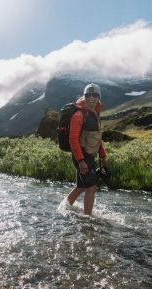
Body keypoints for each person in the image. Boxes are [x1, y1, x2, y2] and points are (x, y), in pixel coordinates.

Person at [66, 83, 108, 215]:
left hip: (89, 156)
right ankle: (88, 219)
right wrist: (81, 160)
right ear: (84, 96)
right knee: (91, 186)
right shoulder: (78, 115)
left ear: (98, 97)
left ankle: (65, 206)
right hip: (81, 156)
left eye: (95, 95)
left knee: (81, 186)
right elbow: (73, 140)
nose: (91, 98)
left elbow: (96, 137)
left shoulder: (95, 113)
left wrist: (103, 155)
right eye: (88, 95)